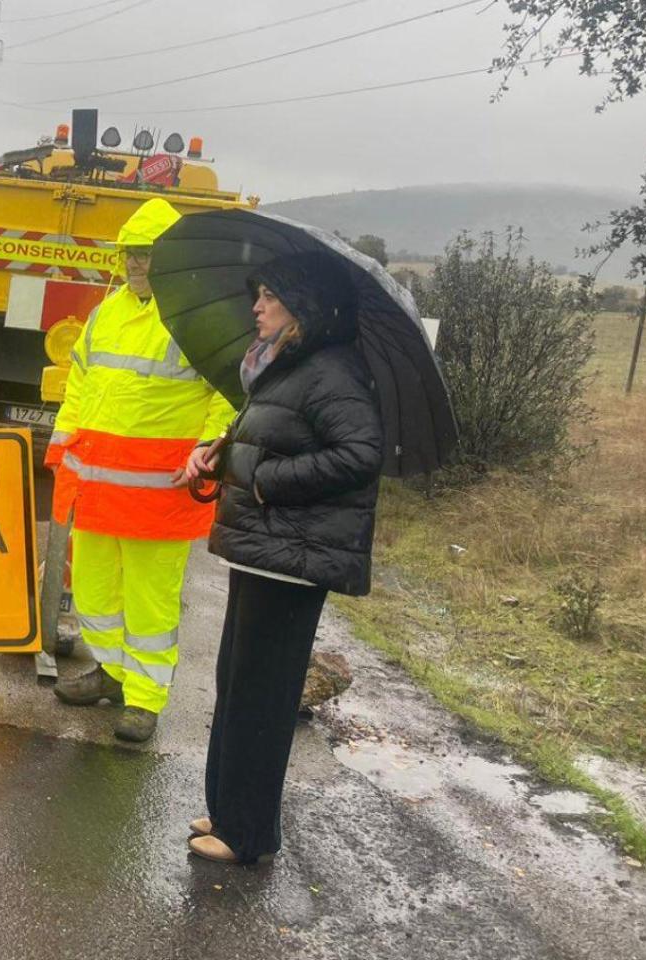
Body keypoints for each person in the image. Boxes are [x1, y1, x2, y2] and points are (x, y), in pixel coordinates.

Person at [181, 250, 384, 863]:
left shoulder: (332, 370)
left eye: (270, 295)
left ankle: (248, 835)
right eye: (259, 294)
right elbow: (275, 431)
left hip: (295, 557)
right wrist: (218, 450)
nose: (257, 306)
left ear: (305, 306)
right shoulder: (284, 367)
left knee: (264, 696)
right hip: (266, 550)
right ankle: (226, 807)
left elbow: (360, 454)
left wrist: (267, 479)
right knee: (236, 683)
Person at [45, 199, 237, 743]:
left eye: (148, 254)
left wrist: (208, 449)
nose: (135, 264)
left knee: (150, 601)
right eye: (130, 253)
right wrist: (65, 447)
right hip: (100, 488)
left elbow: (227, 395)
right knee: (95, 590)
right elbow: (79, 382)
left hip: (161, 492)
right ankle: (110, 672)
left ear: (170, 259)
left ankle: (145, 699)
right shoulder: (108, 312)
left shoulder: (197, 318)